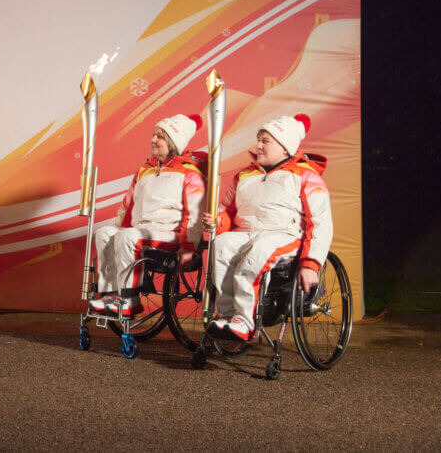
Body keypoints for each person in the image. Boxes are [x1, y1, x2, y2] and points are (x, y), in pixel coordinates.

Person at [202, 114, 333, 341]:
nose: (258, 146)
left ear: (285, 148)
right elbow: (227, 211)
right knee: (221, 244)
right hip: (245, 234)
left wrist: (311, 264)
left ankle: (245, 321)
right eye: (258, 139)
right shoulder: (244, 175)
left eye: (265, 141)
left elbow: (321, 221)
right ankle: (227, 316)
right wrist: (218, 221)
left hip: (285, 236)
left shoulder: (305, 176)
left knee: (259, 250)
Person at [89, 114, 206, 316]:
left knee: (129, 236)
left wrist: (188, 246)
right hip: (142, 231)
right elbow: (128, 207)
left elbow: (194, 214)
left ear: (172, 142)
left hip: (171, 234)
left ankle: (129, 299)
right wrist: (116, 229)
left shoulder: (190, 174)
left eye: (159, 136)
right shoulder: (145, 170)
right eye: (153, 135)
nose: (152, 140)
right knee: (104, 233)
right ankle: (111, 295)